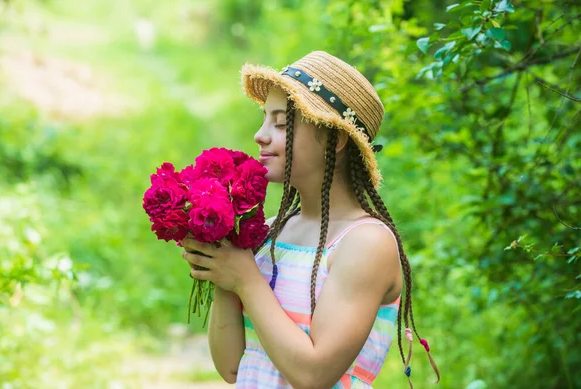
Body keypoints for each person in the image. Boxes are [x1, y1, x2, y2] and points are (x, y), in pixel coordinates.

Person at [181, 51, 440, 388]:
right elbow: (232, 366)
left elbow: (314, 375)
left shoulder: (365, 243)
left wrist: (246, 279)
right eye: (264, 119)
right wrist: (225, 274)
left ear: (337, 138)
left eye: (281, 123)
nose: (260, 135)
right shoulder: (271, 232)